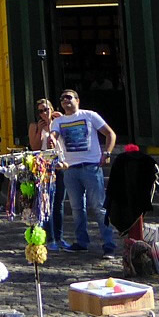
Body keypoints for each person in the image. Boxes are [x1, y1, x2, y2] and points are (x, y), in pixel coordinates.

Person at [49, 89, 117, 256]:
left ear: (77, 100)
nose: (66, 101)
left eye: (69, 97)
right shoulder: (58, 121)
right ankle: (81, 242)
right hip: (70, 169)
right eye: (62, 98)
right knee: (77, 208)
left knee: (99, 207)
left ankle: (109, 244)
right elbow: (54, 135)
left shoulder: (90, 115)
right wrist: (52, 138)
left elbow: (110, 134)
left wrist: (107, 153)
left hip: (91, 167)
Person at [29, 98, 68, 249]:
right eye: (40, 111)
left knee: (59, 203)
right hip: (45, 166)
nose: (44, 113)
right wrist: (40, 131)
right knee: (48, 203)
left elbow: (63, 142)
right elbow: (35, 147)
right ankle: (50, 238)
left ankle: (59, 237)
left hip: (60, 163)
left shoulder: (60, 122)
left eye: (46, 109)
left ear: (52, 109)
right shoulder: (35, 126)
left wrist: (55, 124)